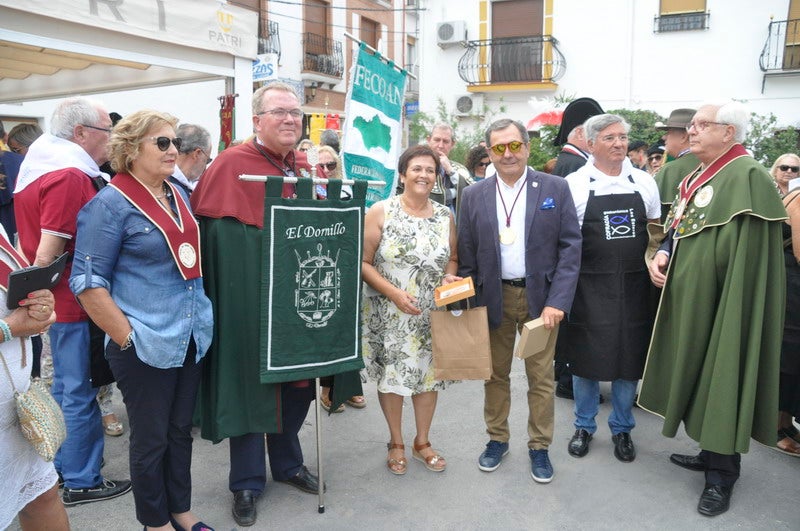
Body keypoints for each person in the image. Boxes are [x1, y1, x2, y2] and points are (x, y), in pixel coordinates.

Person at [191, 82, 359, 527]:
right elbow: (220, 244)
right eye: (279, 112)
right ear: (257, 120)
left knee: (298, 384)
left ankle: (288, 464)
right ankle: (246, 481)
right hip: (249, 303)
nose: (289, 119)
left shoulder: (303, 167)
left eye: (295, 112)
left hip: (296, 300)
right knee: (251, 387)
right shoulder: (230, 165)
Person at [641, 101, 787, 516]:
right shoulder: (697, 176)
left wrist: (729, 299)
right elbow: (678, 230)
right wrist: (664, 252)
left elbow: (750, 258)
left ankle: (722, 475)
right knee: (699, 372)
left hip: (727, 301)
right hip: (695, 297)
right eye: (692, 125)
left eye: (702, 124)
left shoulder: (749, 176)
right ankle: (709, 452)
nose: (692, 130)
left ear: (729, 132)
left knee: (723, 371)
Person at [70, 110, 214, 531]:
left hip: (189, 335)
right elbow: (87, 284)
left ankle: (181, 510)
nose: (174, 150)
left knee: (179, 431)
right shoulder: (109, 204)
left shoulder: (178, 193)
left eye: (175, 142)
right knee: (150, 439)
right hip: (144, 342)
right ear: (131, 150)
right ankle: (155, 521)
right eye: (162, 143)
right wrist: (128, 338)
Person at [14, 97, 132, 506]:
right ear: (80, 133)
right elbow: (47, 252)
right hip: (73, 302)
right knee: (79, 390)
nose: (111, 139)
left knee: (67, 389)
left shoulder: (43, 166)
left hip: (60, 302)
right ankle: (82, 479)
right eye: (107, 131)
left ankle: (65, 469)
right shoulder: (68, 175)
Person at [458, 118, 581, 483]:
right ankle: (497, 439)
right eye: (499, 147)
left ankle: (539, 446)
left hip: (541, 301)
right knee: (494, 375)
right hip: (493, 297)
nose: (507, 154)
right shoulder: (474, 195)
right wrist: (466, 302)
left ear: (527, 147)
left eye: (514, 145)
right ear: (489, 152)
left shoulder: (555, 187)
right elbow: (466, 253)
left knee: (540, 378)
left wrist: (558, 301)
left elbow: (570, 248)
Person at [560, 114, 661, 462]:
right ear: (591, 144)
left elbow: (654, 232)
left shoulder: (644, 182)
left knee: (629, 358)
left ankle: (622, 428)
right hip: (587, 286)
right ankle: (584, 426)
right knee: (585, 358)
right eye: (609, 138)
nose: (619, 143)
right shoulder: (574, 184)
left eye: (622, 137)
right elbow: (564, 240)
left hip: (634, 285)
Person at [362, 144, 459, 475]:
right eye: (417, 168)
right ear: (402, 175)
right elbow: (363, 262)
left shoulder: (445, 216)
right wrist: (393, 293)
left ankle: (422, 442)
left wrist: (449, 276)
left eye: (430, 170)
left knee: (428, 378)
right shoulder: (381, 211)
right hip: (390, 312)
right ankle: (396, 442)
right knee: (392, 378)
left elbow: (453, 258)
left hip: (431, 313)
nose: (424, 175)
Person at [0, 230, 65, 530]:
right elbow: (9, 323)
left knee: (42, 495)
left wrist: (39, 304)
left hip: (16, 409)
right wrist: (10, 328)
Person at [550, 97, 603, 402]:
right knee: (575, 318)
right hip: (575, 254)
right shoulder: (576, 165)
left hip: (566, 254)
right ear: (581, 133)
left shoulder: (567, 161)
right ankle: (569, 379)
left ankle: (564, 372)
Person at [773, 153, 800, 455]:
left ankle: (785, 423)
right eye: (786, 167)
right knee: (789, 359)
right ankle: (776, 426)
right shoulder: (798, 197)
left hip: (790, 283)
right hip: (792, 286)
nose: (790, 171)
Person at [653, 108, 698, 221]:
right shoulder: (711, 163)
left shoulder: (670, 169)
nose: (664, 137)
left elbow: (657, 217)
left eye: (668, 133)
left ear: (684, 136)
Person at [551, 97, 604, 179]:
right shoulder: (576, 165)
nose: (601, 136)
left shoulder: (571, 161)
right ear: (580, 133)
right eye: (597, 130)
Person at [426, 123, 469, 212]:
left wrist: (450, 170)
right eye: (437, 140)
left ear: (452, 144)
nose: (440, 146)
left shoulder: (459, 168)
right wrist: (454, 192)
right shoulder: (416, 166)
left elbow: (472, 193)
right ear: (429, 140)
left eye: (445, 141)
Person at [171, 123, 212, 196]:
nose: (205, 169)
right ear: (197, 154)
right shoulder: (163, 184)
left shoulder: (159, 178)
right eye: (207, 161)